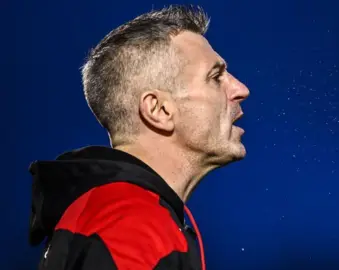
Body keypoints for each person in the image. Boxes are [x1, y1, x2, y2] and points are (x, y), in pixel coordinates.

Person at [28, 4, 250, 270]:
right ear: (159, 110)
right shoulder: (131, 224)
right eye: (215, 77)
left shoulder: (114, 214)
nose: (240, 89)